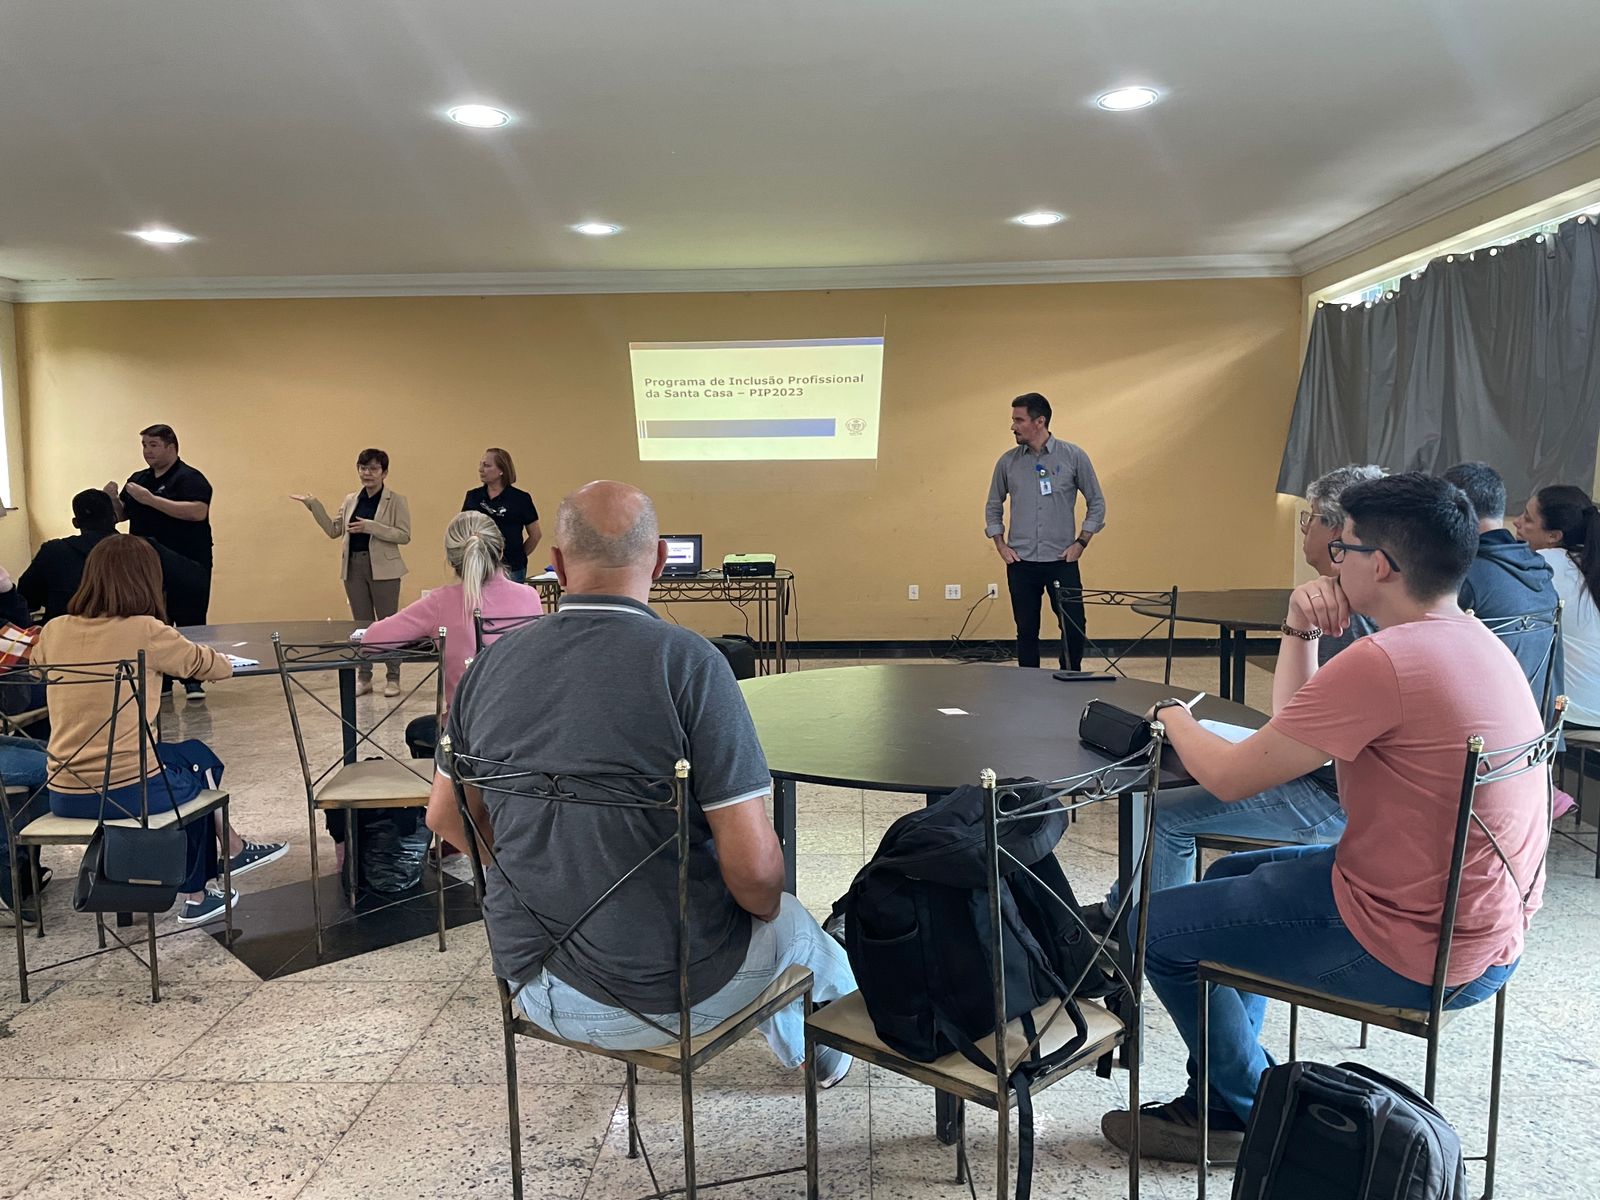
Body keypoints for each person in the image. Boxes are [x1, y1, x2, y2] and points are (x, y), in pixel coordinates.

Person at [1101, 473, 1548, 1163]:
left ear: (1382, 565)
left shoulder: (1387, 658)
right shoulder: (1472, 639)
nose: (1332, 563)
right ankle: (1220, 1098)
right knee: (1231, 873)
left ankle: (1257, 1109)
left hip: (1414, 944)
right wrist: (1300, 628)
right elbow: (1294, 731)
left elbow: (1229, 775)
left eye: (1343, 549)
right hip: (1479, 926)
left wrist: (1172, 718)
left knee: (1151, 928)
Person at [426, 481, 856, 1083]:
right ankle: (820, 1059)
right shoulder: (691, 664)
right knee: (800, 933)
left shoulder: (487, 666)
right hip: (672, 999)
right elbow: (756, 878)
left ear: (557, 566)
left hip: (533, 986)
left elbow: (445, 817)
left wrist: (539, 876)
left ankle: (794, 1035)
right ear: (658, 561)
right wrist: (756, 913)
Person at [1077, 464, 1382, 936]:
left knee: (1164, 815)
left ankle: (1151, 936)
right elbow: (1300, 719)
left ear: (1337, 534)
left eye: (1309, 518)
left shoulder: (1347, 616)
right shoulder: (1344, 601)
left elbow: (1288, 737)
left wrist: (1174, 717)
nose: (1304, 529)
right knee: (1192, 759)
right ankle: (1129, 909)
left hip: (1332, 796)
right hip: (1332, 774)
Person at [32, 536, 287, 924]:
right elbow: (212, 666)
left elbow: (36, 669)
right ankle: (197, 893)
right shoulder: (146, 630)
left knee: (192, 755)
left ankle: (234, 848)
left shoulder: (54, 630)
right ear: (147, 579)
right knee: (195, 775)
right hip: (125, 791)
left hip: (65, 791)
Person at [362, 512, 543, 760]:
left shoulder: (440, 602)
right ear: (500, 550)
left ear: (451, 559)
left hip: (466, 733)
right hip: (524, 732)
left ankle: (445, 780)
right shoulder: (530, 597)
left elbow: (372, 641)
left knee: (417, 730)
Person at [984, 392, 1106, 670]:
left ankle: (1070, 677)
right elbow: (993, 505)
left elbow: (1097, 503)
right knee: (1026, 630)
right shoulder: (1007, 462)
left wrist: (1081, 542)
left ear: (1040, 421)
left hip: (1062, 560)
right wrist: (1001, 545)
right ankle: (1029, 683)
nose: (1013, 426)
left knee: (1074, 626)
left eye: (1019, 420)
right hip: (1021, 562)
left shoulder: (1073, 456)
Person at [104, 424, 214, 701]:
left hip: (187, 561)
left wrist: (151, 500)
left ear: (171, 446)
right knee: (152, 620)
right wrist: (112, 499)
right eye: (144, 445)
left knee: (189, 620)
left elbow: (197, 512)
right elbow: (121, 516)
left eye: (153, 445)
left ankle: (193, 680)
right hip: (146, 564)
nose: (147, 451)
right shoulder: (139, 479)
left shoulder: (189, 478)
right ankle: (161, 681)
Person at [291, 449, 411, 697]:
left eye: (374, 469)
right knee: (361, 625)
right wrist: (314, 505)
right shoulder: (351, 500)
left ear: (384, 473)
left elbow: (403, 535)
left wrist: (371, 527)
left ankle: (393, 677)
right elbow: (334, 530)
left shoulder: (396, 500)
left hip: (384, 569)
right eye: (363, 468)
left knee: (388, 623)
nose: (367, 473)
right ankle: (364, 677)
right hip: (353, 566)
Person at [1442, 462, 1562, 703]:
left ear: (1453, 511)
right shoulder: (1541, 572)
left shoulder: (1463, 578)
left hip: (1480, 721)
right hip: (1537, 720)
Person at [20, 489, 210, 624]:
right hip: (135, 646)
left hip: (70, 648)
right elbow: (195, 579)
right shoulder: (144, 548)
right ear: (114, 518)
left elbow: (27, 597)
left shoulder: (54, 552)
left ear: (76, 523)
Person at [1514, 483, 1600, 728]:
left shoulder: (1543, 564)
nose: (1517, 522)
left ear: (1554, 536)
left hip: (1571, 713)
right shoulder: (1590, 563)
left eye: (1528, 519)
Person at [462, 448, 541, 585]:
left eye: (487, 465)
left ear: (501, 470)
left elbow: (535, 535)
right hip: (479, 565)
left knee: (510, 599)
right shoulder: (473, 497)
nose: (481, 469)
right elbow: (463, 529)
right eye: (481, 465)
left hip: (512, 568)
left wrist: (518, 555)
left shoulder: (520, 498)